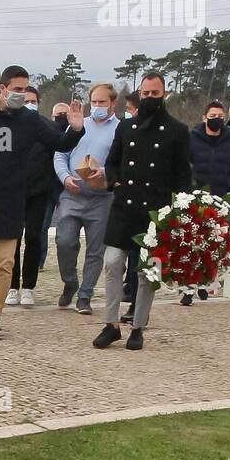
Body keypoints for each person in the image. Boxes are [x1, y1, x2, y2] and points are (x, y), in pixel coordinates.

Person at [0, 65, 84, 340]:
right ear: (2, 88)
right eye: (17, 89)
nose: (22, 95)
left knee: (4, 263)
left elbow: (59, 143)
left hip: (10, 200)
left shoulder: (30, 119)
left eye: (26, 89)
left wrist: (75, 129)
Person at [94, 71, 191, 351]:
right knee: (112, 263)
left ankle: (138, 327)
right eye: (145, 94)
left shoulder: (177, 130)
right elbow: (112, 162)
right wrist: (114, 180)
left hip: (155, 213)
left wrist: (180, 213)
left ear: (164, 94)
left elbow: (183, 175)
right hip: (124, 206)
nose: (149, 98)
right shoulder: (125, 128)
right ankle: (111, 324)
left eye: (155, 94)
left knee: (147, 272)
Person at [53, 82, 119, 314]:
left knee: (96, 249)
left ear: (113, 103)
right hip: (73, 192)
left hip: (102, 197)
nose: (98, 106)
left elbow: (120, 162)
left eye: (102, 102)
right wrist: (64, 177)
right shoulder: (79, 125)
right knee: (65, 240)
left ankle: (85, 295)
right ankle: (69, 281)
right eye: (95, 102)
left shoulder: (120, 129)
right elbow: (60, 153)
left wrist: (105, 173)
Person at [178, 101, 230, 307]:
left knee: (212, 244)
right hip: (194, 198)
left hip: (218, 198)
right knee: (190, 243)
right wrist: (189, 187)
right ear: (205, 118)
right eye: (213, 116)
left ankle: (205, 283)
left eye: (220, 116)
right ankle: (187, 289)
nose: (217, 120)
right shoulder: (191, 138)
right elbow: (182, 163)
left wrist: (228, 185)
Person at [6, 86, 56, 307]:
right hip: (13, 192)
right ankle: (12, 286)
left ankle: (28, 287)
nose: (29, 104)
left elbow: (57, 156)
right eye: (25, 100)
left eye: (33, 101)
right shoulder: (8, 126)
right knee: (12, 240)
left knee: (34, 238)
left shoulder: (47, 127)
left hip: (39, 192)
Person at [39, 101, 69, 269]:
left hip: (67, 186)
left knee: (66, 228)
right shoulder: (45, 132)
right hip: (47, 185)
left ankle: (66, 261)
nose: (61, 119)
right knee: (43, 225)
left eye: (64, 115)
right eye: (59, 116)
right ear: (52, 116)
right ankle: (39, 260)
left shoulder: (76, 133)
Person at [120, 92, 141, 318]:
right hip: (124, 199)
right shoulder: (125, 128)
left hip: (151, 203)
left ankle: (137, 304)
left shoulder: (173, 130)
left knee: (141, 258)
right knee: (118, 259)